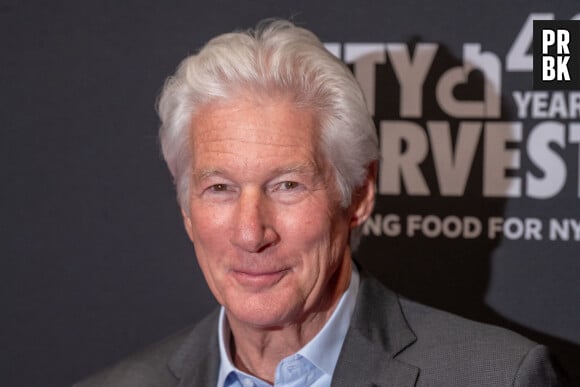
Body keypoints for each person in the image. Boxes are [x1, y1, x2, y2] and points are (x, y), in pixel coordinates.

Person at [75, 20, 565, 386]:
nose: (250, 233)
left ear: (359, 195)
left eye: (287, 185)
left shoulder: (496, 378)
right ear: (186, 210)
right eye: (219, 188)